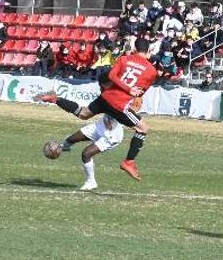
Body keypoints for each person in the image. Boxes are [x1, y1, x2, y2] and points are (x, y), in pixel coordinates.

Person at [38, 47, 156, 180]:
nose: (100, 88)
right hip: (115, 110)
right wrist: (132, 95)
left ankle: (56, 100)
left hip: (110, 120)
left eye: (101, 86)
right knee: (142, 129)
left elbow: (114, 77)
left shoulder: (122, 64)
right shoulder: (146, 71)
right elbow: (137, 90)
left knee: (83, 114)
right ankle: (129, 161)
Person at [51, 102, 140, 191]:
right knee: (72, 138)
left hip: (111, 136)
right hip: (99, 126)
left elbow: (136, 121)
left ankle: (91, 182)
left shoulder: (123, 102)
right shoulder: (108, 96)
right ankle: (62, 148)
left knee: (86, 154)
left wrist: (132, 111)